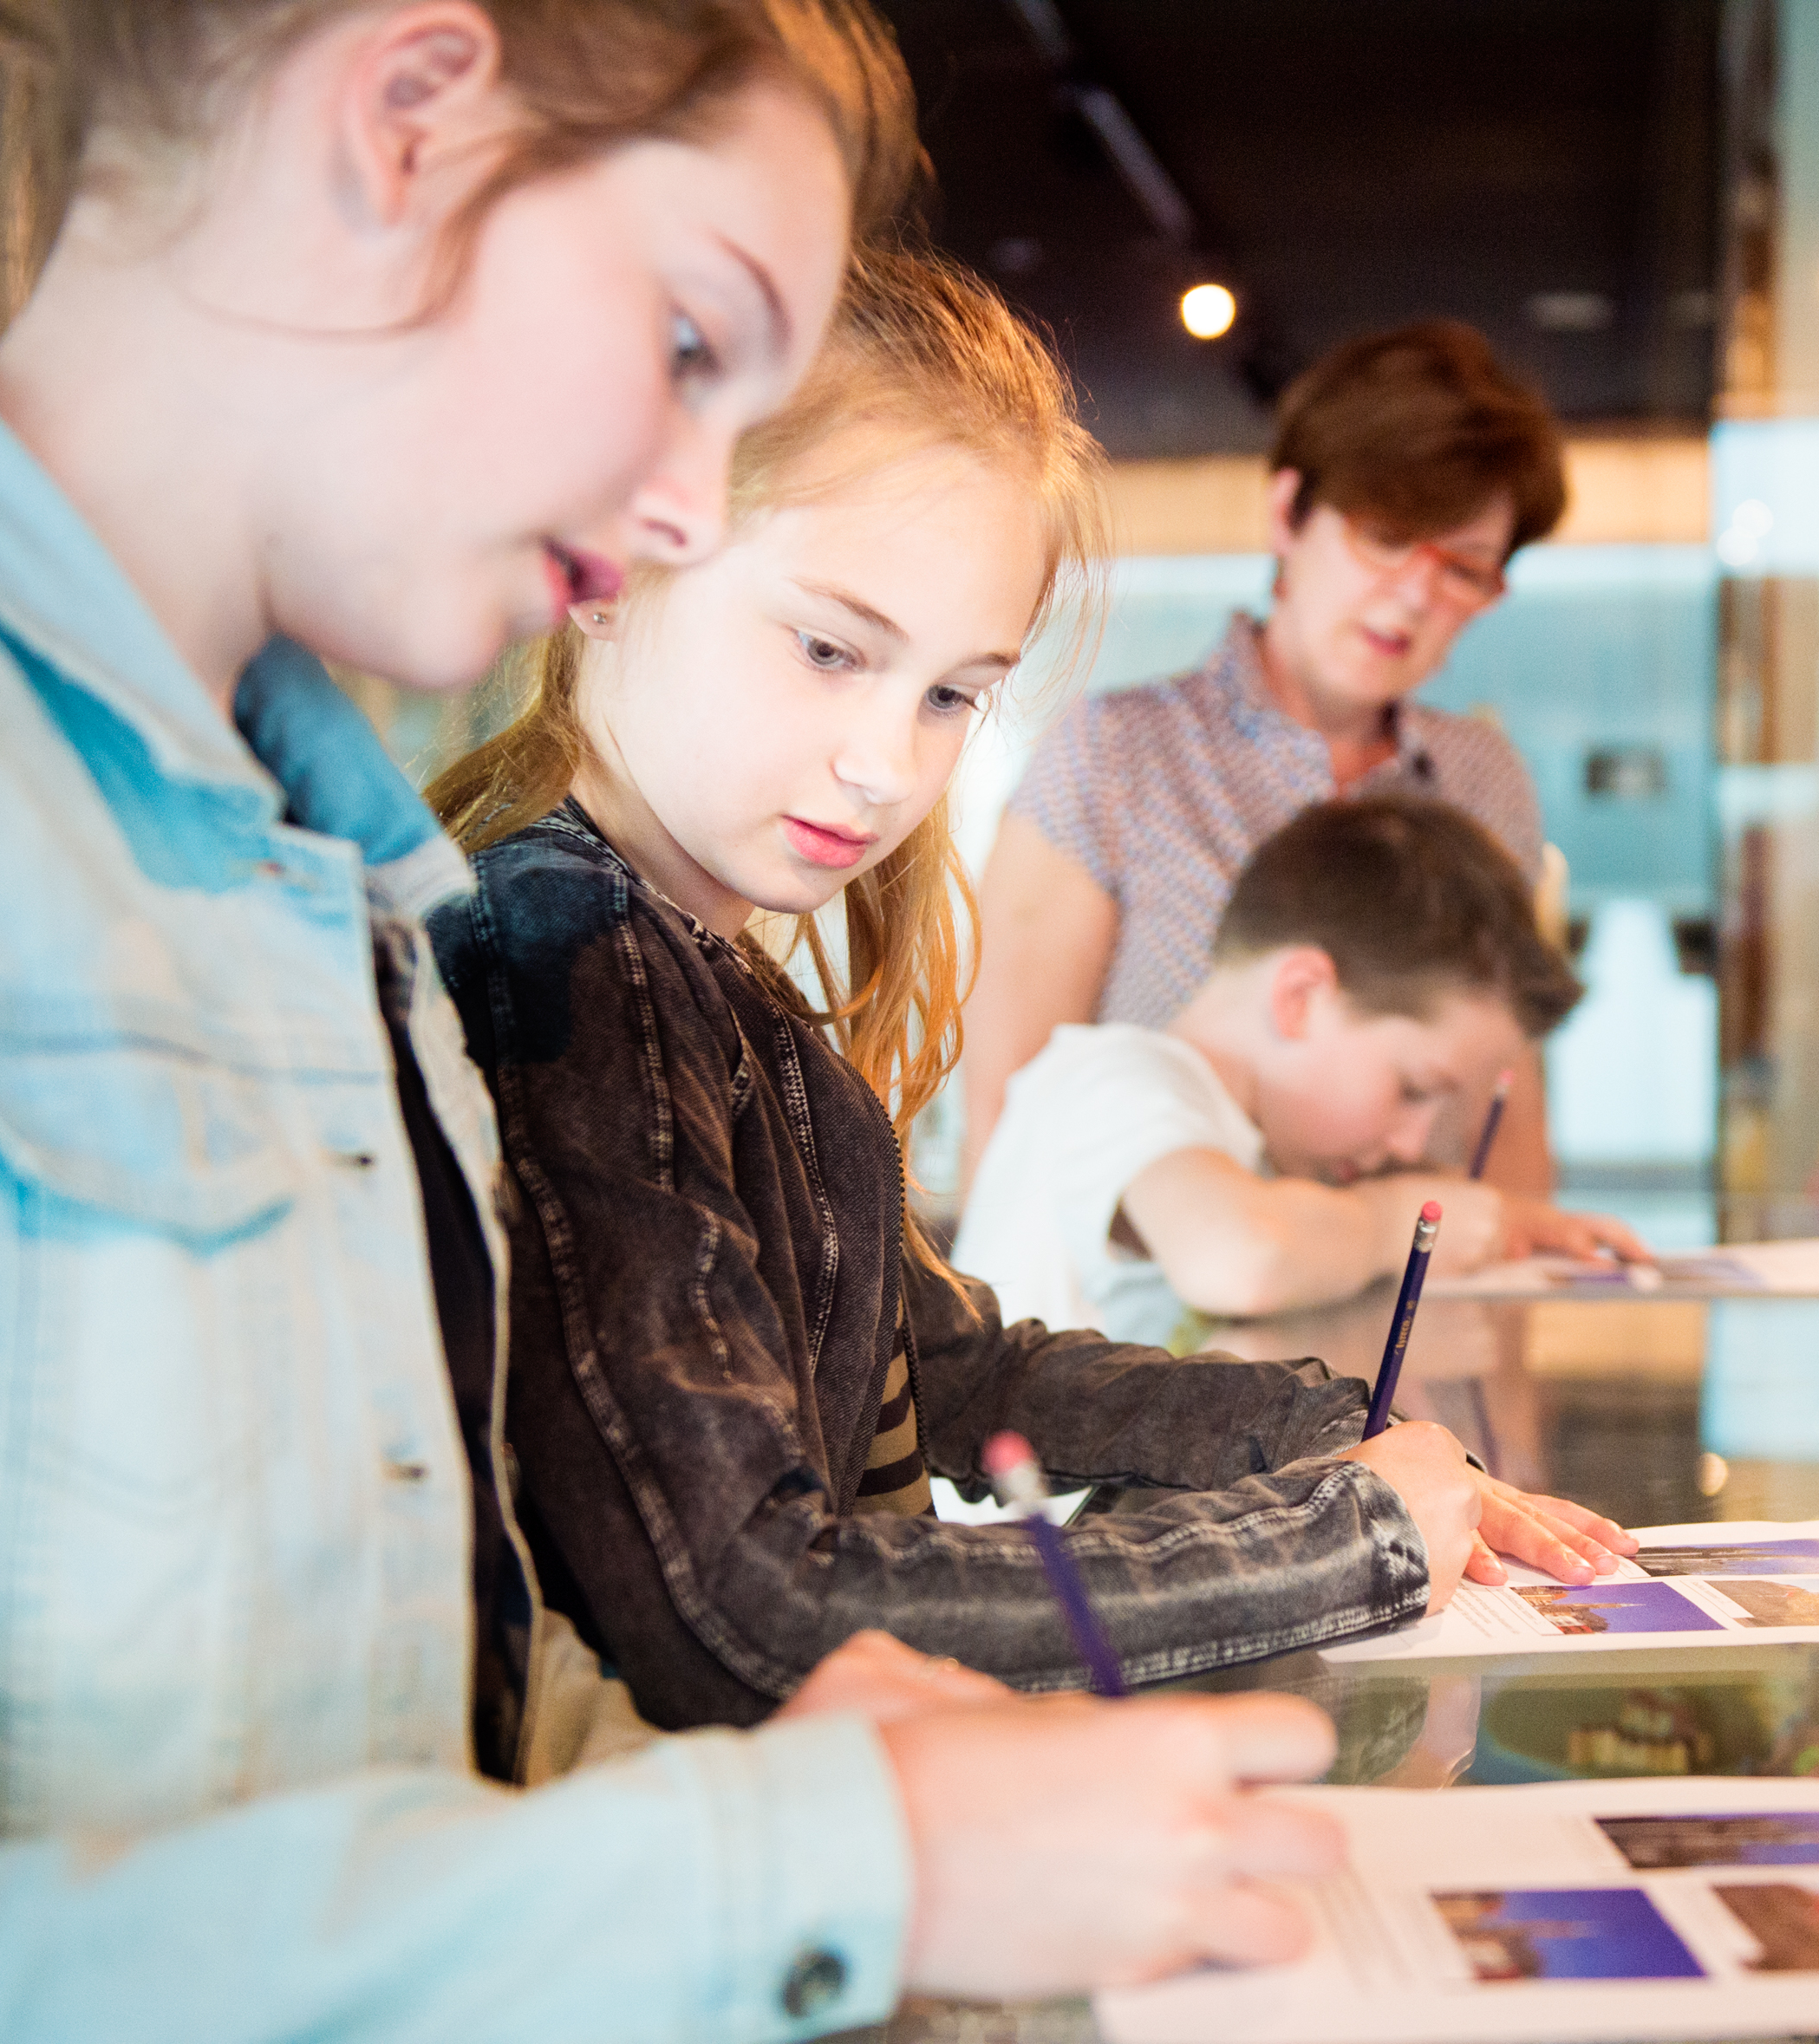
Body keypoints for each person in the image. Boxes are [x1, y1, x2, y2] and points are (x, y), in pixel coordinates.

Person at [0, 3, 1342, 2032]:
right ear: (405, 116)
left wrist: (798, 1794)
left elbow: (388, 1763)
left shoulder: (343, 882)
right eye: (684, 346)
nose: (674, 510)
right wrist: (828, 1855)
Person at [424, 249, 1637, 1735]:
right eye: (827, 649)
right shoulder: (577, 961)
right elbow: (747, 1611)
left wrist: (1336, 1434)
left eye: (949, 695)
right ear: (612, 569)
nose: (887, 763)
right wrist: (1339, 1532)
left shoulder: (711, 964)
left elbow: (953, 1363)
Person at [967, 318, 1588, 1207]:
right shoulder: (1117, 753)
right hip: (1154, 1322)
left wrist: (1511, 1311)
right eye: (1387, 535)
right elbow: (1010, 1113)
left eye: (1465, 567)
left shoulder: (1482, 779)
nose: (1415, 594)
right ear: (1289, 513)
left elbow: (1507, 1101)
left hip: (1402, 1313)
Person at [960, 796, 1640, 1348]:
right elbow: (1240, 1259)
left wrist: (1502, 1219)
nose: (1411, 1142)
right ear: (1300, 997)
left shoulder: (1242, 1146)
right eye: (1413, 1089)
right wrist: (1396, 1222)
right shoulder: (1112, 1081)